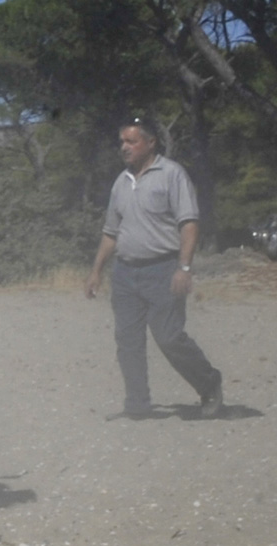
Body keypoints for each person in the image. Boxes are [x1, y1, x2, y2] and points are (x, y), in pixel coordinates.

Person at [88, 117, 224, 420]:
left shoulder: (172, 175)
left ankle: (209, 383)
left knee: (169, 337)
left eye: (131, 141)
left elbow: (189, 224)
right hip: (125, 273)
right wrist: (96, 270)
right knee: (128, 340)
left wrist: (184, 268)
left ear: (151, 143)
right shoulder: (121, 182)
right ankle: (137, 403)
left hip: (163, 270)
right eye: (122, 141)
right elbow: (111, 232)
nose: (124, 147)